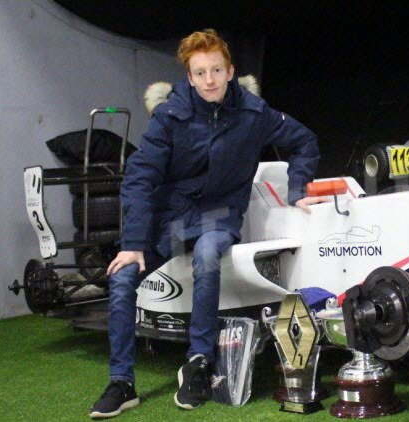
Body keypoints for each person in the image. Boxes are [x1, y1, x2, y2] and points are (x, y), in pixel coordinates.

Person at [90, 29, 326, 418]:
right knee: (122, 276)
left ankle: (198, 363)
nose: (210, 80)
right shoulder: (169, 116)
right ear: (189, 76)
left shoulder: (253, 113)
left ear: (230, 71)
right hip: (170, 219)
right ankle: (121, 382)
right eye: (200, 73)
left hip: (219, 215)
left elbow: (304, 141)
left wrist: (298, 189)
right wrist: (133, 243)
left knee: (206, 255)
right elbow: (140, 177)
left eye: (216, 70)